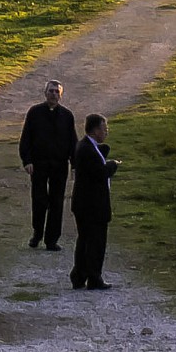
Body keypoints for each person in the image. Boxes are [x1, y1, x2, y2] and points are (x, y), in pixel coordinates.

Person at [18, 79, 78, 251]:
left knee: (57, 202)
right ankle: (37, 233)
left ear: (60, 95)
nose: (53, 94)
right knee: (39, 200)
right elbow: (26, 138)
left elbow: (73, 142)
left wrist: (74, 165)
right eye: (50, 91)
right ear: (45, 93)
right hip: (38, 164)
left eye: (56, 92)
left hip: (59, 165)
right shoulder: (35, 113)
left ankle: (51, 240)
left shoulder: (67, 116)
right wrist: (27, 160)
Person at [69, 113, 120, 290]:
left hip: (84, 204)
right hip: (92, 205)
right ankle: (93, 276)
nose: (106, 132)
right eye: (104, 129)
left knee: (85, 240)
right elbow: (100, 173)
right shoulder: (87, 150)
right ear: (96, 130)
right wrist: (112, 165)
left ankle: (80, 275)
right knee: (95, 242)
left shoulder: (85, 146)